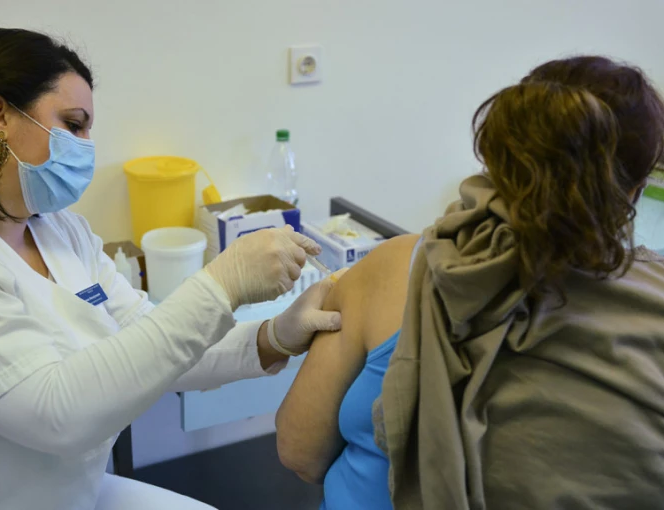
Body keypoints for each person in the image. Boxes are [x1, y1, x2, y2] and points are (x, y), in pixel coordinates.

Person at [0, 28, 344, 510]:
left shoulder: (59, 231)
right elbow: (57, 414)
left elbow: (151, 340)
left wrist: (273, 336)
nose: (86, 147)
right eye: (73, 125)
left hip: (74, 492)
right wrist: (223, 283)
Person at [276, 55, 664, 509]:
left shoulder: (395, 268)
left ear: (502, 158)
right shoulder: (653, 304)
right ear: (636, 189)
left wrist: (274, 337)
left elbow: (300, 453)